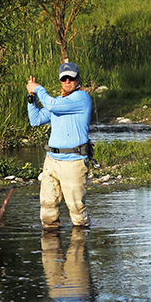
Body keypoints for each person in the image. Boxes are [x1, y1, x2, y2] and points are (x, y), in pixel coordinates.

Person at [26, 61, 92, 230]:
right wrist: (31, 97)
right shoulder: (58, 102)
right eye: (64, 79)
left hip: (73, 162)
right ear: (61, 81)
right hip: (52, 161)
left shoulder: (81, 98)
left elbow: (50, 105)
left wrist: (39, 89)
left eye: (71, 78)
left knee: (77, 210)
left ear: (78, 80)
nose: (68, 81)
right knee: (47, 208)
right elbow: (36, 120)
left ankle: (80, 248)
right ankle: (50, 251)